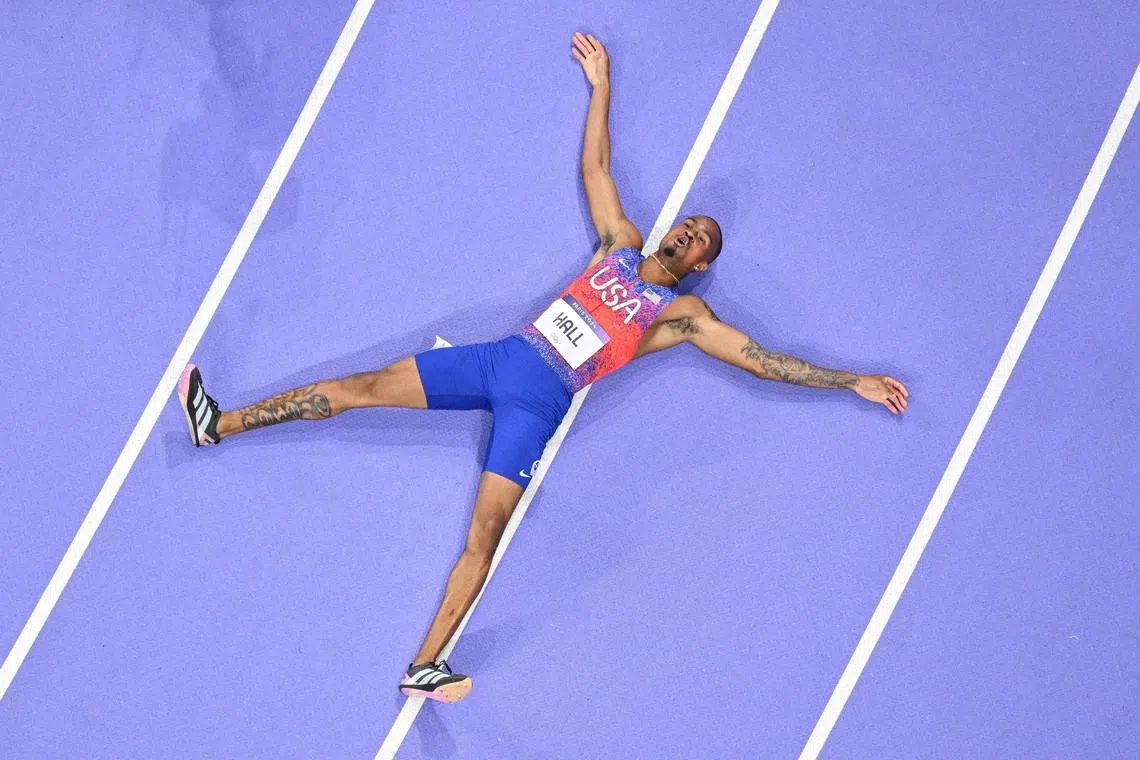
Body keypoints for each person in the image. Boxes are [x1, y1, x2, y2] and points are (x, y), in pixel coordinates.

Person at [175, 31, 909, 704]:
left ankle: (424, 665)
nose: (691, 228)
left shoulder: (679, 317)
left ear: (702, 265)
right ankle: (219, 424)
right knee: (360, 386)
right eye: (692, 220)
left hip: (538, 405)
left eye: (702, 239)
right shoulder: (619, 242)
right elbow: (595, 165)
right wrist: (601, 85)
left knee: (482, 537)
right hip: (502, 358)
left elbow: (763, 362)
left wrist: (852, 381)